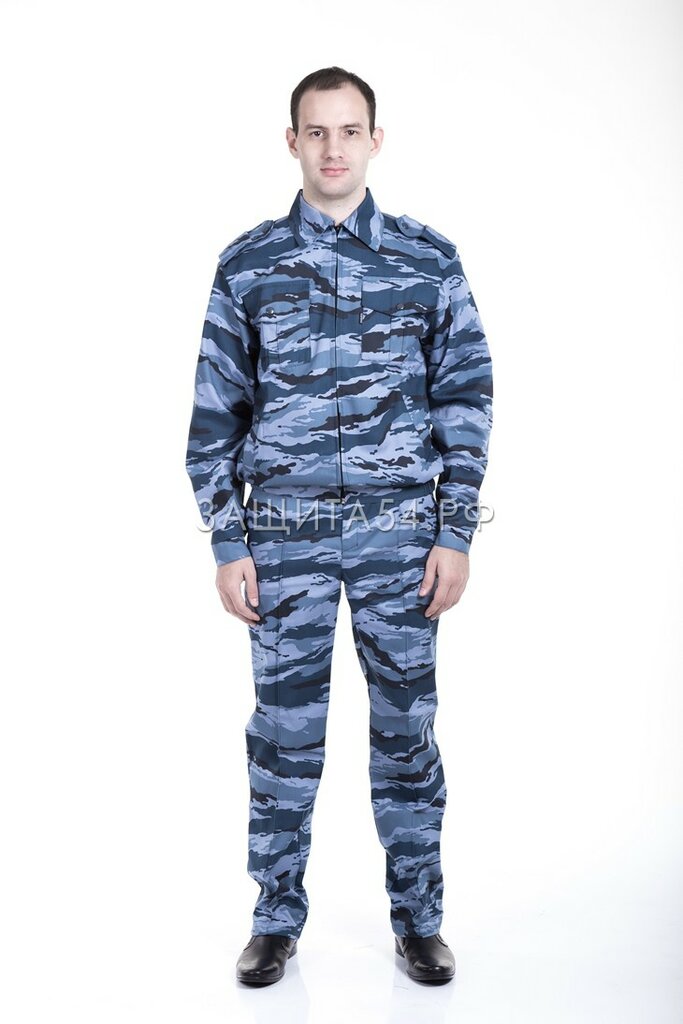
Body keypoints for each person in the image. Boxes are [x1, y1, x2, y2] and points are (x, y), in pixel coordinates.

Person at [185, 66, 493, 986]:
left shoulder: (427, 260)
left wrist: (455, 531)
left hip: (402, 541)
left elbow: (466, 399)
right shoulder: (247, 264)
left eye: (348, 131)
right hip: (283, 541)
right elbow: (213, 418)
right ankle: (275, 918)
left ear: (374, 141)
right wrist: (228, 542)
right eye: (315, 132)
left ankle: (419, 919)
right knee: (283, 736)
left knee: (406, 730)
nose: (332, 148)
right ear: (292, 141)